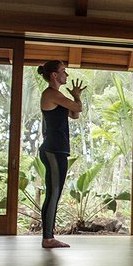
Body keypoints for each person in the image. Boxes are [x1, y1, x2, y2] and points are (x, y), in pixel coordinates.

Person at [37, 60, 86, 248]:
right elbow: (78, 108)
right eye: (63, 71)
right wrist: (76, 98)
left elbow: (74, 115)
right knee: (53, 193)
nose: (67, 75)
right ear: (54, 76)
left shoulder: (58, 96)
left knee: (54, 193)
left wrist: (75, 96)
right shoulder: (50, 94)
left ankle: (48, 237)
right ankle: (48, 238)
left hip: (59, 150)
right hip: (52, 150)